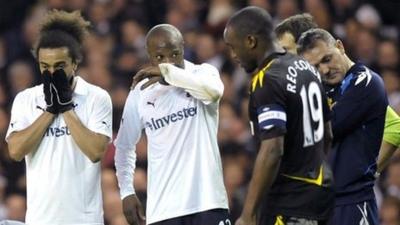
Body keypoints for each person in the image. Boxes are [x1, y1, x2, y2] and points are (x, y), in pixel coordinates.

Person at [223, 6, 334, 225]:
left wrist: (248, 213)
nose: (233, 55)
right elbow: (327, 134)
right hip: (320, 195)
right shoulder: (306, 67)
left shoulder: (267, 79)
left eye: (233, 47)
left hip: (289, 202)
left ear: (251, 41)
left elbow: (273, 149)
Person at [114, 24, 229, 225]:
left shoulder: (203, 73)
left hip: (208, 202)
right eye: (159, 58)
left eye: (175, 54)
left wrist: (169, 74)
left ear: (183, 48)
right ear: (149, 55)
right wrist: (126, 192)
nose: (168, 62)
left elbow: (214, 93)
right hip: (163, 211)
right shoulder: (141, 92)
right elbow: (124, 146)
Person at [5, 10, 112, 225]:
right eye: (45, 67)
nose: (52, 73)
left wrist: (66, 109)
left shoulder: (96, 97)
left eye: (60, 66)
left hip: (84, 220)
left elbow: (95, 152)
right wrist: (50, 111)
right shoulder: (26, 99)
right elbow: (16, 151)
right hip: (40, 219)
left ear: (75, 63)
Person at [275, 14, 400, 174]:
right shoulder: (312, 85)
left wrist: (369, 174)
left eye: (286, 51)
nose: (281, 59)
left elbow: (394, 127)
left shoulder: (350, 84)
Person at [297, 28, 388, 225]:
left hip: (352, 204)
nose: (324, 70)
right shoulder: (324, 89)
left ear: (340, 46)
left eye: (327, 59)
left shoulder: (366, 83)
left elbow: (326, 129)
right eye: (315, 67)